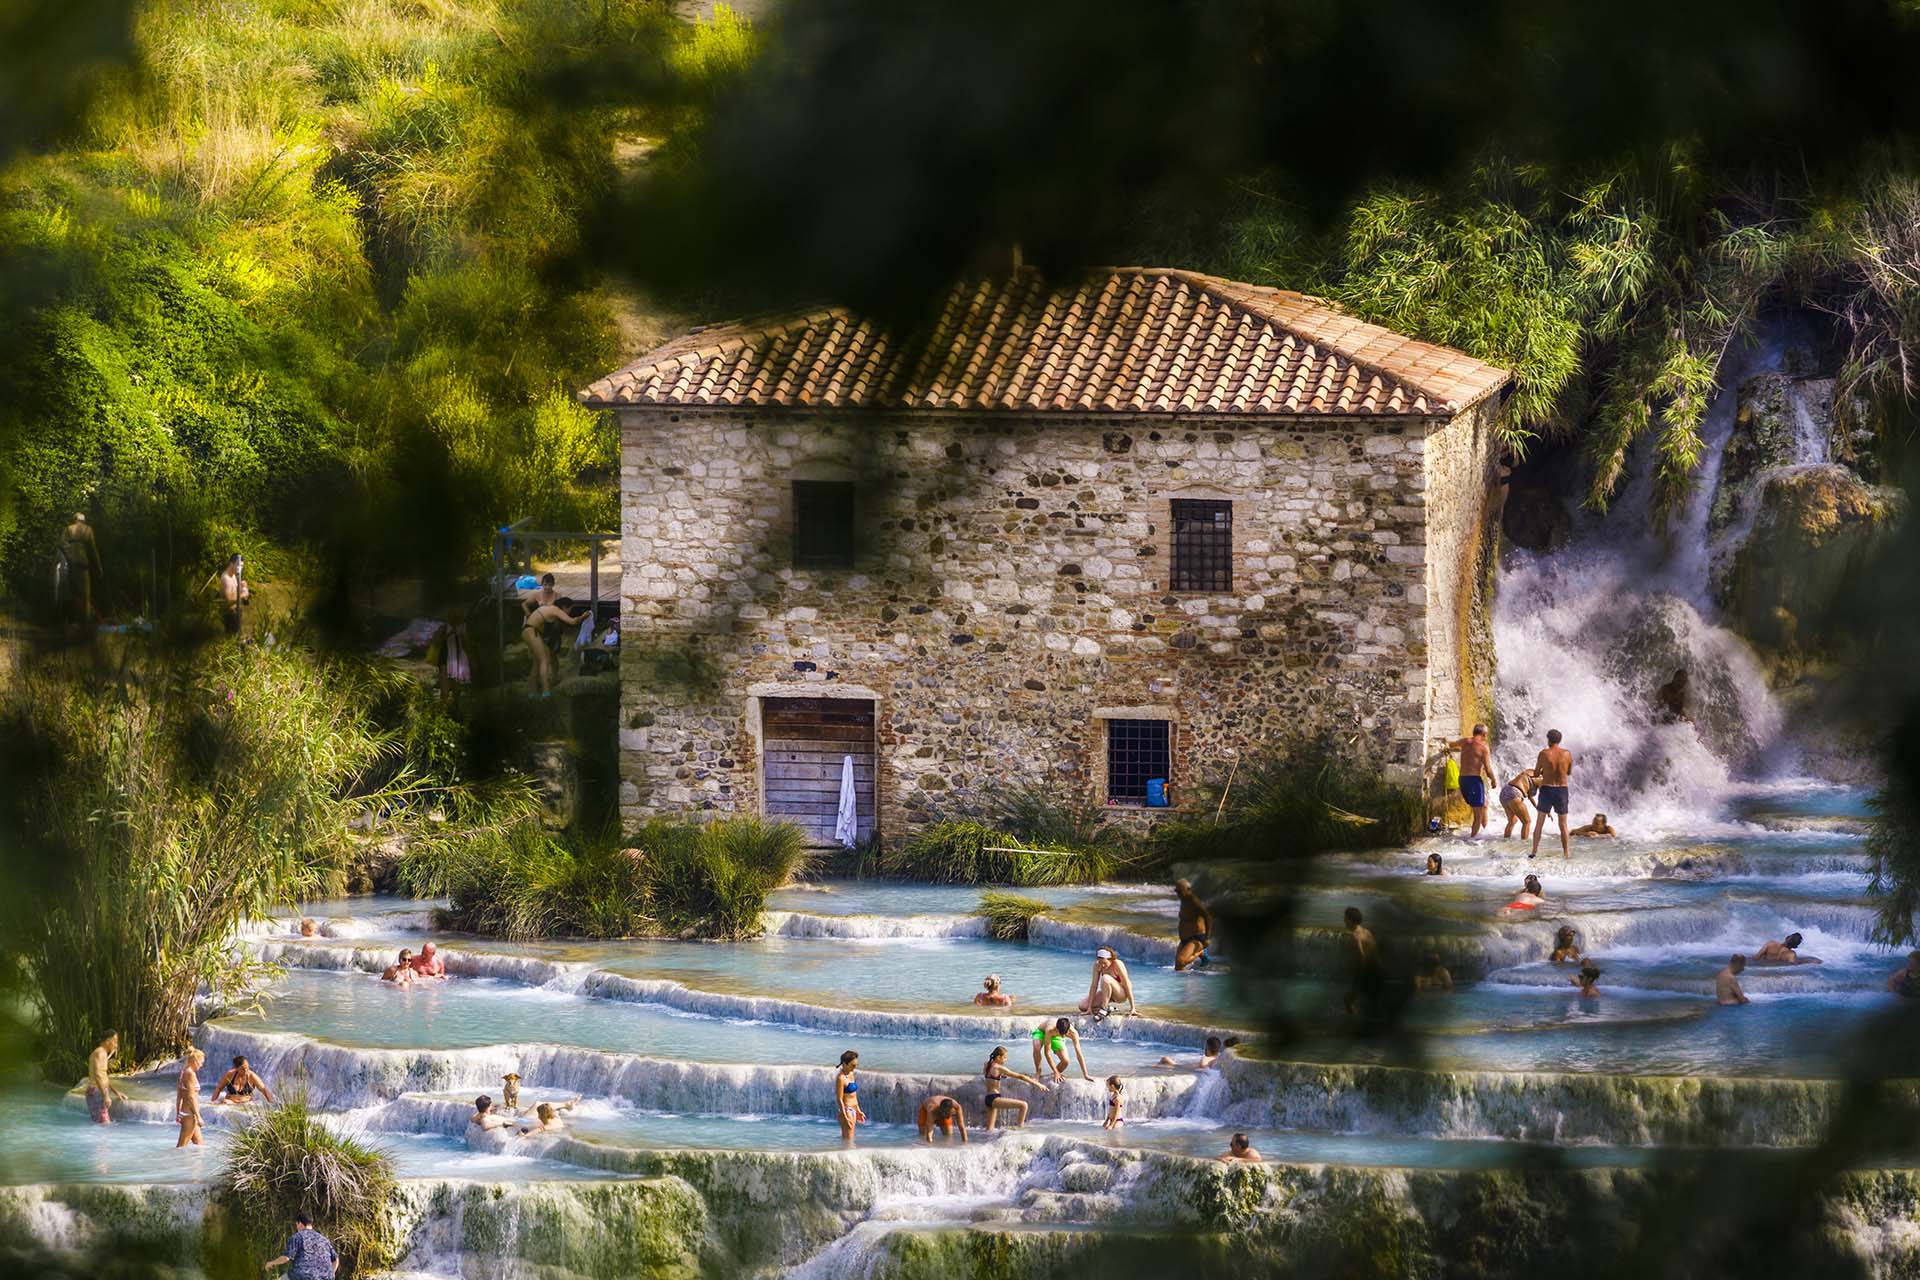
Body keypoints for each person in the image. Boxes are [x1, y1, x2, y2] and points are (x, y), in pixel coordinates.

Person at [522, 597, 590, 697]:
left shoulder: (550, 608)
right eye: (569, 609)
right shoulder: (556, 610)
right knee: (544, 660)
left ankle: (532, 692)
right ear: (564, 607)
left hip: (529, 631)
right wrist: (583, 617)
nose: (569, 612)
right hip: (532, 631)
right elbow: (572, 622)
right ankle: (546, 692)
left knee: (537, 663)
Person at [1529, 730, 1575, 861]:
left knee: (1539, 823)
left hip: (1547, 790)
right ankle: (1566, 854)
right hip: (1562, 790)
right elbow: (1569, 772)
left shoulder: (1544, 754)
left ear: (1548, 740)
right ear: (1559, 740)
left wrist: (1545, 770)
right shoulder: (1567, 754)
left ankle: (1534, 852)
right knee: (1563, 825)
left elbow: (1537, 773)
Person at [981, 1045, 1048, 1130]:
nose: (1006, 1060)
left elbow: (990, 1076)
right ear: (998, 1057)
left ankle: (987, 1142)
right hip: (994, 1098)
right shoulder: (999, 1068)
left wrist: (1000, 1076)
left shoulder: (987, 1064)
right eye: (1005, 1058)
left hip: (988, 1098)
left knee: (989, 1129)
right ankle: (1019, 1129)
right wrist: (1037, 1084)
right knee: (1023, 1105)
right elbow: (1020, 1076)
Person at [1446, 724, 1495, 838]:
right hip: (1474, 781)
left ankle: (1485, 831)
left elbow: (1451, 745)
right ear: (1484, 734)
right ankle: (1472, 841)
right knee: (1477, 815)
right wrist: (1493, 779)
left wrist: (1452, 749)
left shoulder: (1465, 742)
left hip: (1462, 780)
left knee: (1484, 805)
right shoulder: (1483, 747)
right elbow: (1488, 769)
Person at [263, 1211, 338, 1278]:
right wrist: (331, 1273)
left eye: (296, 1224)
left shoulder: (298, 1237)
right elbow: (336, 1260)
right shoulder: (324, 1239)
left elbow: (286, 1258)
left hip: (303, 1276)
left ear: (300, 1223)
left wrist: (271, 1263)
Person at [58, 512, 101, 623]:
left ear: (75, 519)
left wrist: (69, 555)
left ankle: (74, 621)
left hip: (72, 565)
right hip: (84, 564)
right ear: (84, 520)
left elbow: (61, 544)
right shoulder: (88, 530)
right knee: (86, 595)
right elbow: (93, 550)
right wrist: (98, 567)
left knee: (74, 594)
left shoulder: (69, 529)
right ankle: (85, 622)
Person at [82, 1032, 128, 1125]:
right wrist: (105, 1096)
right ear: (108, 1041)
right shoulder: (101, 1053)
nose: (116, 1045)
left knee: (98, 1123)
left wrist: (116, 1092)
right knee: (104, 1125)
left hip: (93, 1090)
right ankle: (103, 1140)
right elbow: (98, 1074)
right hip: (97, 1091)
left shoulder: (98, 1052)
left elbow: (103, 1076)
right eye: (115, 1041)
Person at [1344, 907, 1382, 1017]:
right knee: (1372, 1000)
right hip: (1377, 968)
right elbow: (1374, 949)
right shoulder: (1366, 931)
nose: (1344, 922)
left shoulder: (1356, 937)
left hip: (1366, 971)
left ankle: (1354, 1020)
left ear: (1351, 920)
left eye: (1345, 919)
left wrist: (1356, 971)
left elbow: (1361, 956)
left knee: (1348, 999)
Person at [1031, 1016, 1092, 1083]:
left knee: (1065, 1061)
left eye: (1064, 1035)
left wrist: (1086, 1075)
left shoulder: (1074, 1033)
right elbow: (1047, 1053)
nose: (1063, 1037)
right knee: (1037, 1046)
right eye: (1062, 1034)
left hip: (1056, 1036)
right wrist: (1056, 1072)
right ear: (1057, 1029)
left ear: (1068, 1030)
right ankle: (1038, 1072)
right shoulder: (1050, 1029)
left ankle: (1054, 1074)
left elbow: (1079, 1054)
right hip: (1042, 1032)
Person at [1078, 948, 1136, 1019]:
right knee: (1082, 1006)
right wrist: (1089, 1008)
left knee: (1105, 978)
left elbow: (1127, 985)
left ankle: (1104, 1008)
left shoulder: (1118, 964)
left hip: (1121, 994)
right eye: (1100, 962)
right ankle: (1108, 1009)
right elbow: (1094, 986)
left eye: (1104, 963)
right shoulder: (1097, 965)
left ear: (1110, 959)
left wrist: (1133, 1007)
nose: (1102, 965)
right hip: (1107, 993)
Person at [203, 552, 250, 638]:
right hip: (230, 614)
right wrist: (243, 595)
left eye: (242, 566)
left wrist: (243, 587)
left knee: (237, 636)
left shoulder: (234, 575)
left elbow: (236, 592)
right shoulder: (226, 579)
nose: (240, 569)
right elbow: (229, 600)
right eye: (239, 566)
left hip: (236, 611)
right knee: (231, 637)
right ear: (232, 563)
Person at [1173, 878, 1213, 971]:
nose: (1178, 894)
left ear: (1188, 890)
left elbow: (1208, 917)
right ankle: (1183, 985)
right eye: (1177, 891)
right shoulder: (1184, 900)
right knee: (1178, 968)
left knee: (1180, 962)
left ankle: (1200, 952)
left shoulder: (1194, 901)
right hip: (1185, 939)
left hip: (1196, 937)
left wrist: (1207, 938)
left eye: (1180, 891)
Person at [212, 1055, 276, 1106]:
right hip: (230, 1103)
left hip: (246, 1104)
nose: (246, 1071)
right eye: (243, 1069)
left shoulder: (252, 1076)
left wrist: (271, 1103)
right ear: (236, 1068)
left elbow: (264, 1089)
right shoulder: (230, 1074)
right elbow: (218, 1088)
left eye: (247, 1067)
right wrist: (213, 1102)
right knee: (224, 1102)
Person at [834, 1051, 867, 1142]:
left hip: (853, 1110)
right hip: (846, 1111)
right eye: (853, 1065)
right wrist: (845, 1117)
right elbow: (839, 1099)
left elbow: (853, 1095)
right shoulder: (841, 1078)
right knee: (849, 1141)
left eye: (856, 1065)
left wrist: (858, 1111)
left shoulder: (851, 1074)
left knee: (849, 1140)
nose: (855, 1067)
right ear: (845, 1064)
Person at [176, 1047, 206, 1148]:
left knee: (200, 1146)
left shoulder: (184, 1071)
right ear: (195, 1061)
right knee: (180, 1148)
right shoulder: (190, 1074)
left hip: (186, 1113)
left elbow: (179, 1094)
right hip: (190, 1115)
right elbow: (191, 1097)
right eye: (201, 1062)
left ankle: (193, 1164)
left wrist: (178, 1113)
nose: (201, 1065)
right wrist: (198, 1117)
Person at [1499, 769, 1538, 839]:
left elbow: (1530, 796)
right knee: (1527, 821)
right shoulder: (1541, 778)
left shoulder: (1530, 771)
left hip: (1504, 792)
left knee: (1512, 820)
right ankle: (1524, 845)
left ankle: (1505, 841)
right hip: (1515, 793)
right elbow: (1545, 793)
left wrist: (1537, 807)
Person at [1157, 1035, 1226, 1069]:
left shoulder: (1206, 1059)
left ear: (1207, 1047)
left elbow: (1203, 1067)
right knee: (1164, 1063)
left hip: (1181, 1068)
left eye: (1206, 1046)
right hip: (1184, 1067)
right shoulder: (1218, 1057)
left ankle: (1153, 1068)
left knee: (1164, 1058)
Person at [1753, 932, 1823, 965]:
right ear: (1795, 947)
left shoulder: (1770, 944)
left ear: (1786, 937)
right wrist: (1808, 961)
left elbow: (1756, 957)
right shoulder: (1791, 955)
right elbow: (1793, 964)